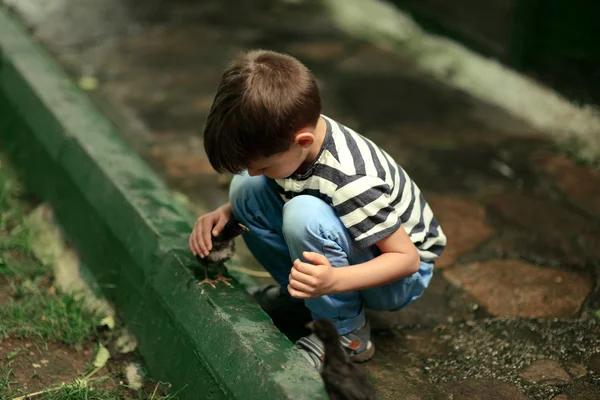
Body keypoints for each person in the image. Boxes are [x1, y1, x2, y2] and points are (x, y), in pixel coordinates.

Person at [189, 49, 446, 370]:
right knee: (245, 189)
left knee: (304, 216)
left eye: (264, 166)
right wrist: (230, 213)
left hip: (395, 277)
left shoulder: (351, 179)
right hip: (355, 248)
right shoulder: (294, 138)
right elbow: (289, 181)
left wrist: (334, 281)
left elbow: (406, 261)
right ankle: (303, 299)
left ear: (303, 140)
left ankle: (347, 334)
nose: (257, 171)